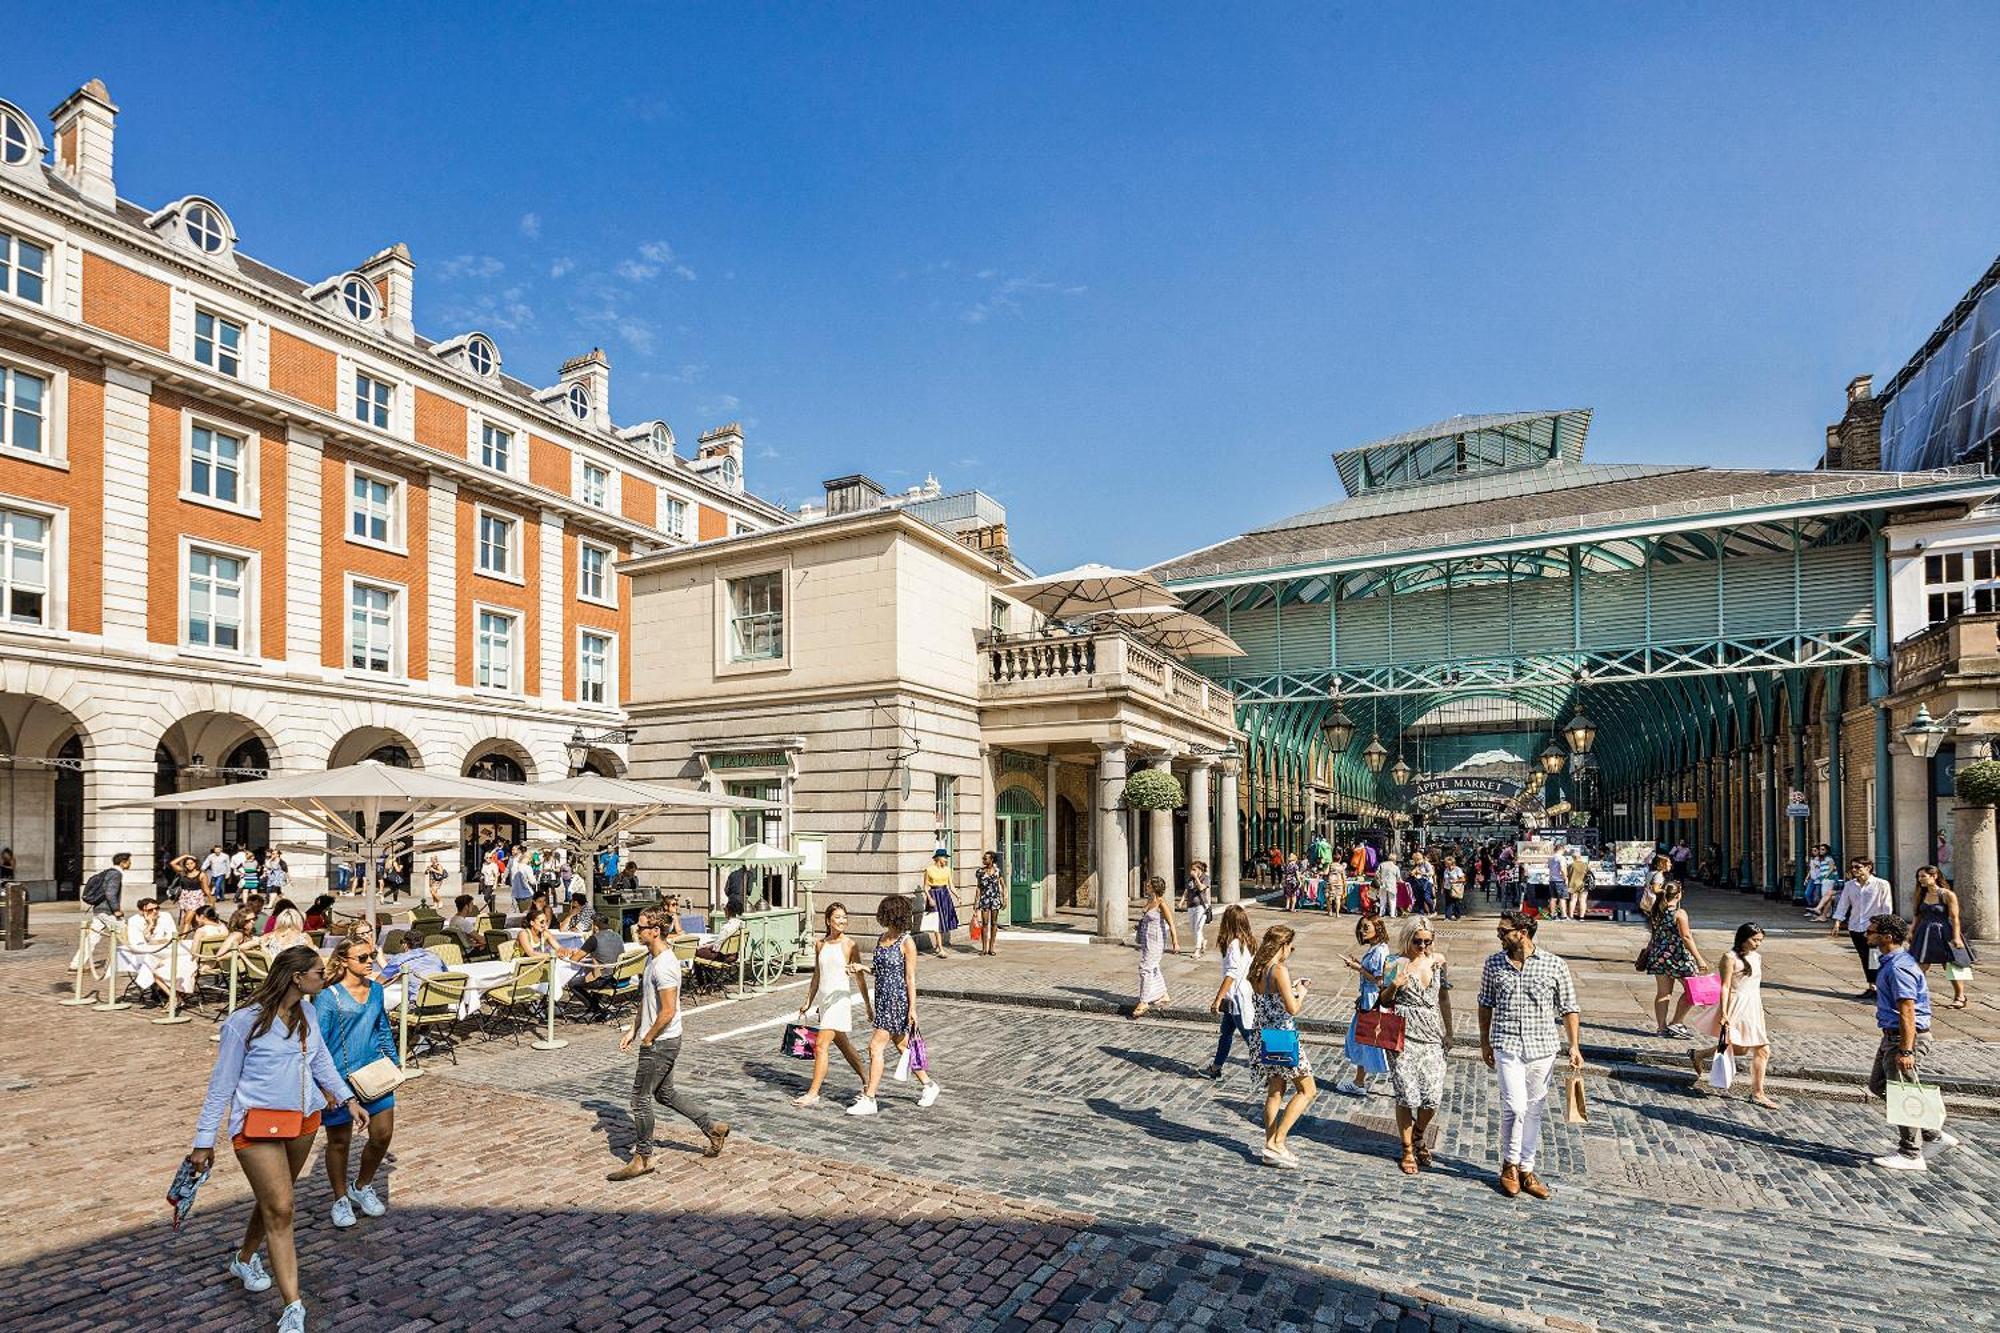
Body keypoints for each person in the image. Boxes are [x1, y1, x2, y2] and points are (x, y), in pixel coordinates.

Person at [187, 944, 370, 1333]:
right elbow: (220, 1087)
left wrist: (348, 1098)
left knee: (275, 1202)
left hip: (302, 1120)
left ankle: (245, 1256)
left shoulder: (306, 1012)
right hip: (255, 1126)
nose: (325, 977)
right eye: (319, 973)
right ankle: (293, 1306)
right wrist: (204, 1141)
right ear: (297, 978)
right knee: (283, 1206)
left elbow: (320, 1060)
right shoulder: (244, 1022)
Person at [609, 909, 729, 1179]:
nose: (636, 931)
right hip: (662, 1038)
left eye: (640, 927)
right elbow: (646, 999)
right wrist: (633, 1029)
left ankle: (643, 1157)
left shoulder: (664, 965)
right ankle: (713, 1128)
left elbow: (667, 1011)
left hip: (662, 1042)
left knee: (639, 1100)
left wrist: (648, 1038)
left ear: (655, 931)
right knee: (665, 1094)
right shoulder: (651, 957)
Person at [1477, 910, 1582, 1201]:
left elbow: (1569, 1007)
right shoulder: (1494, 963)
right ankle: (1509, 1165)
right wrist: (1484, 1042)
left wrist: (1574, 1045)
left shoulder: (1554, 965)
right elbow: (1485, 1004)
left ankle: (1527, 1168)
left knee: (1534, 1109)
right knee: (1515, 1107)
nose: (1499, 935)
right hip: (1506, 1044)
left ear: (1522, 932)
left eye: (1503, 931)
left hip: (1543, 1047)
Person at [314, 936, 400, 1229]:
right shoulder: (328, 997)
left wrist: (394, 1062)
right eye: (362, 958)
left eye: (371, 956)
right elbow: (319, 1042)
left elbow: (382, 1028)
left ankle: (361, 1185)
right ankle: (339, 1197)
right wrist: (324, 1085)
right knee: (339, 1142)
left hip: (375, 1073)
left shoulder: (375, 990)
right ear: (344, 961)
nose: (369, 962)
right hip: (339, 1077)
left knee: (382, 1134)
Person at [1865, 913, 1959, 1171]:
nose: (1866, 934)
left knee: (1900, 1092)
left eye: (1871, 931)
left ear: (1887, 937)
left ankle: (1910, 1153)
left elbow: (1908, 1010)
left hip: (1904, 1038)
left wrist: (1906, 1050)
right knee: (1879, 1085)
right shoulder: (1892, 961)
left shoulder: (1898, 968)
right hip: (1892, 1036)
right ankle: (1933, 1134)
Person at [848, 894, 941, 1115]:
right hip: (882, 998)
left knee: (875, 1047)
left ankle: (870, 1098)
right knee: (902, 1046)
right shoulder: (883, 938)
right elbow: (881, 972)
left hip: (897, 1001)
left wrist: (913, 1009)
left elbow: (910, 978)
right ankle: (929, 1085)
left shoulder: (906, 942)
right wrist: (862, 968)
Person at [1380, 916, 1453, 1174]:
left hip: (1432, 1035)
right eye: (1417, 941)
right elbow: (1383, 1000)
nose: (1422, 946)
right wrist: (1394, 985)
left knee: (1431, 1098)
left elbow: (1443, 997)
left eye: (1427, 941)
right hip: (1403, 1035)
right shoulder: (1394, 963)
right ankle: (1407, 1148)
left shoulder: (1439, 962)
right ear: (1407, 938)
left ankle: (1420, 1133)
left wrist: (1450, 1032)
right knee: (1407, 1096)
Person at [1248, 924, 1316, 1167]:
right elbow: (1293, 1008)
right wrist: (1301, 991)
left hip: (1263, 1035)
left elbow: (1270, 1000)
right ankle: (1276, 1141)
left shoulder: (1256, 969)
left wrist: (1291, 989)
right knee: (1307, 1090)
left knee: (1275, 1092)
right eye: (1291, 947)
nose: (1291, 951)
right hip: (1282, 1036)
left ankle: (1272, 1147)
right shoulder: (1279, 970)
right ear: (1283, 946)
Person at [1687, 922, 1777, 1108]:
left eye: (1760, 940)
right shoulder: (1729, 957)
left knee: (1744, 1049)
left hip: (1753, 1006)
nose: (1757, 944)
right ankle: (1758, 1093)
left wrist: (1759, 1010)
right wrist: (1725, 1013)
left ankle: (1699, 1054)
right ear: (1743, 938)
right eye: (1754, 940)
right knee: (1762, 1049)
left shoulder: (1757, 957)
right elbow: (1725, 986)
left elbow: (1754, 986)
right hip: (1737, 1006)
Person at [794, 903, 871, 1106]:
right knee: (844, 1046)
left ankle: (813, 1093)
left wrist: (867, 1005)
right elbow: (817, 976)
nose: (842, 921)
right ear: (828, 920)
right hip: (825, 1001)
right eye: (838, 917)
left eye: (844, 917)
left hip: (840, 1000)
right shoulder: (820, 944)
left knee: (820, 1045)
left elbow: (860, 978)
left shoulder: (850, 945)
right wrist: (808, 1002)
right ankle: (868, 1082)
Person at [1333, 916, 1392, 1096]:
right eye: (1361, 928)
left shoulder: (1380, 951)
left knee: (1372, 1041)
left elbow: (1379, 980)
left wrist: (1357, 967)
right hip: (1368, 998)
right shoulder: (1375, 948)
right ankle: (1359, 1081)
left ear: (1378, 928)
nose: (1362, 931)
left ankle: (1361, 1082)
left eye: (1366, 927)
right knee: (1362, 1039)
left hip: (1373, 1001)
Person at [1641, 880, 1708, 1038]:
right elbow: (1686, 937)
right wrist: (1699, 959)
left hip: (1659, 956)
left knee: (1663, 993)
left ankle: (1661, 1028)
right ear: (1678, 895)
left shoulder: (1656, 911)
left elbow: (1655, 935)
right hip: (1678, 956)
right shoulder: (1679, 913)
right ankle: (1676, 1023)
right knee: (1694, 990)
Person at [1201, 905, 1257, 1079]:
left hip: (1236, 998)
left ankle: (1272, 1072)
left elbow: (1231, 974)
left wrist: (1217, 999)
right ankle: (1216, 1067)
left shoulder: (1234, 944)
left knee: (1250, 1037)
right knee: (1226, 1033)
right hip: (1239, 996)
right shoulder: (1248, 942)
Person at [1910, 865, 1972, 1009]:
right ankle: (1918, 996)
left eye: (1923, 876)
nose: (1920, 880)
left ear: (1934, 876)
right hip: (1924, 931)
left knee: (1951, 965)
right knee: (1920, 965)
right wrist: (1911, 931)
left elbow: (1955, 917)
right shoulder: (1921, 894)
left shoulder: (1947, 894)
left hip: (1944, 931)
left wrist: (1956, 937)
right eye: (1919, 877)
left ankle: (1960, 996)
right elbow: (1917, 914)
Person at [1831, 857, 1895, 996]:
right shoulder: (1850, 885)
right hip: (1855, 926)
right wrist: (1837, 921)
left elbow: (1886, 906)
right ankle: (1872, 987)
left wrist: (1883, 926)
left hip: (1874, 928)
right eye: (1853, 867)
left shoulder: (1881, 884)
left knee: (1875, 957)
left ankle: (1880, 988)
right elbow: (1843, 904)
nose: (1854, 870)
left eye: (1858, 867)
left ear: (1868, 868)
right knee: (1864, 957)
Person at [72, 851, 129, 977]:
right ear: (123, 862)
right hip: (108, 912)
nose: (130, 863)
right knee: (127, 935)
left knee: (92, 939)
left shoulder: (108, 872)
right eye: (129, 861)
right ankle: (140, 962)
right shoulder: (116, 874)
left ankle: (76, 965)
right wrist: (116, 910)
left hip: (99, 910)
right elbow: (110, 893)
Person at [120, 898, 187, 1005]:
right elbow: (137, 943)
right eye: (150, 910)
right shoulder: (134, 920)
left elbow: (172, 935)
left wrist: (156, 941)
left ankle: (173, 993)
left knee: (182, 959)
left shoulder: (165, 916)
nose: (155, 911)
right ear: (142, 911)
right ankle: (171, 995)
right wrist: (150, 926)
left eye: (157, 908)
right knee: (152, 963)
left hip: (166, 951)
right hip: (144, 954)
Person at [564, 912, 627, 1020]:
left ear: (595, 926)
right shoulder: (618, 936)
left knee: (573, 984)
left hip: (606, 981)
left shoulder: (594, 939)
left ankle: (597, 1010)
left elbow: (574, 960)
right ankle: (594, 1007)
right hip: (621, 978)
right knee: (596, 975)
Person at [1132, 877, 1179, 1017]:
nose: (1146, 886)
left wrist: (1175, 942)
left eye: (1148, 885)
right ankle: (1163, 994)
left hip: (1156, 940)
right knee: (1154, 966)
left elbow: (1171, 924)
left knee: (1145, 968)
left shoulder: (1161, 903)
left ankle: (1144, 1001)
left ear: (1154, 887)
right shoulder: (1149, 901)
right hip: (1146, 938)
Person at [922, 847, 959, 956]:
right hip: (934, 895)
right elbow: (925, 887)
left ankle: (938, 946)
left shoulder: (947, 870)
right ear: (938, 858)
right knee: (936, 922)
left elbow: (951, 885)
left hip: (944, 895)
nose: (946, 860)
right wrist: (930, 898)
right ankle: (941, 949)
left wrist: (957, 896)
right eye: (944, 857)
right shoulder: (929, 870)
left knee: (942, 921)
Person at [974, 851, 1005, 957]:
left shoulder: (997, 871)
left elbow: (1003, 885)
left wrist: (1004, 899)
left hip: (995, 899)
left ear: (992, 860)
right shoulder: (980, 872)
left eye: (986, 858)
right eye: (983, 858)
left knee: (994, 923)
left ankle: (991, 947)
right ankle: (984, 948)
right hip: (984, 899)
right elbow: (978, 887)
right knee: (985, 923)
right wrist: (976, 902)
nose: (984, 860)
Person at [168, 853, 209, 931]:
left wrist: (211, 901)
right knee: (194, 920)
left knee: (186, 920)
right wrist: (185, 856)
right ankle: (200, 935)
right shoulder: (183, 872)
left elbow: (206, 889)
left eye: (191, 863)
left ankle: (181, 938)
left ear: (195, 863)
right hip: (185, 898)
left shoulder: (201, 874)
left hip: (196, 898)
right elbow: (172, 863)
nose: (190, 865)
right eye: (187, 864)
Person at [1182, 859, 1212, 961]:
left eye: (1194, 869)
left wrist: (1196, 878)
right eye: (1191, 869)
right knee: (1192, 928)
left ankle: (1197, 950)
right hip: (1191, 905)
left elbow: (1201, 888)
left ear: (1200, 870)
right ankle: (1202, 942)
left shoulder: (1205, 878)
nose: (1192, 871)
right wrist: (1182, 901)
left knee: (1198, 927)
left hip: (1201, 905)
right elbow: (1186, 891)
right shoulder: (1190, 879)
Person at [1565, 846, 1592, 920]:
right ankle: (1582, 917)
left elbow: (1567, 874)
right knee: (1583, 901)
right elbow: (1589, 873)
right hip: (1583, 884)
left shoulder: (1571, 865)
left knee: (1573, 900)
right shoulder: (1585, 865)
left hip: (1573, 884)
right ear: (1580, 857)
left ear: (1573, 858)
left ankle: (1571, 916)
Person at [1376, 850, 1402, 920]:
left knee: (1382, 899)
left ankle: (1381, 913)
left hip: (1383, 884)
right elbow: (1399, 878)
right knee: (1392, 900)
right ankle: (1392, 914)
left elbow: (1377, 874)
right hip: (1392, 885)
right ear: (1394, 859)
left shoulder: (1382, 864)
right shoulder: (1396, 867)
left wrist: (1380, 880)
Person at [508, 845, 534, 912]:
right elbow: (532, 881)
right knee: (529, 915)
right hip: (527, 894)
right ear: (530, 859)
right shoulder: (527, 868)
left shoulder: (514, 867)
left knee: (521, 913)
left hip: (517, 894)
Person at [1440, 854, 1466, 922]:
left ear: (1452, 863)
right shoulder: (1446, 870)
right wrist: (1442, 888)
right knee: (1448, 902)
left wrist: (1455, 881)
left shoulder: (1458, 870)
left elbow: (1463, 879)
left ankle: (1458, 916)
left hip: (1455, 888)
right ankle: (1448, 917)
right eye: (1445, 863)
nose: (1445, 865)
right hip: (1447, 887)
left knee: (1456, 902)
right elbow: (1444, 879)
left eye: (1447, 863)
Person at [1544, 848, 1569, 919]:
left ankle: (1552, 914)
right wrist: (1565, 878)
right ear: (1561, 849)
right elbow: (1562, 868)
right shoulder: (1561, 858)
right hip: (1560, 880)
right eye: (1564, 850)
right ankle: (1564, 915)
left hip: (1552, 879)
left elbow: (1549, 867)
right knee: (1562, 898)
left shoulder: (1551, 858)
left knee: (1553, 897)